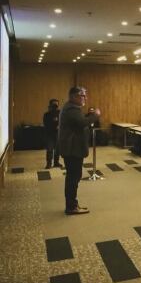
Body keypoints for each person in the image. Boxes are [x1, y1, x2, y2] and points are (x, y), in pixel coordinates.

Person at [57, 87, 91, 215]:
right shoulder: (71, 109)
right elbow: (82, 123)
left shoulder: (71, 108)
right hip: (72, 150)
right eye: (82, 96)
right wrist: (95, 115)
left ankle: (72, 205)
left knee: (73, 177)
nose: (85, 98)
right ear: (74, 97)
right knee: (73, 178)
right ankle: (71, 207)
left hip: (72, 149)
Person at [43, 99, 62, 169]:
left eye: (56, 104)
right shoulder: (47, 114)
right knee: (50, 149)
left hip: (58, 134)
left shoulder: (60, 113)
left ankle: (56, 163)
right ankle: (49, 164)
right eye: (54, 104)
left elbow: (62, 121)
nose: (55, 106)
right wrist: (54, 124)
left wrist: (59, 125)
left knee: (58, 149)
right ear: (50, 105)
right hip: (49, 134)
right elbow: (46, 124)